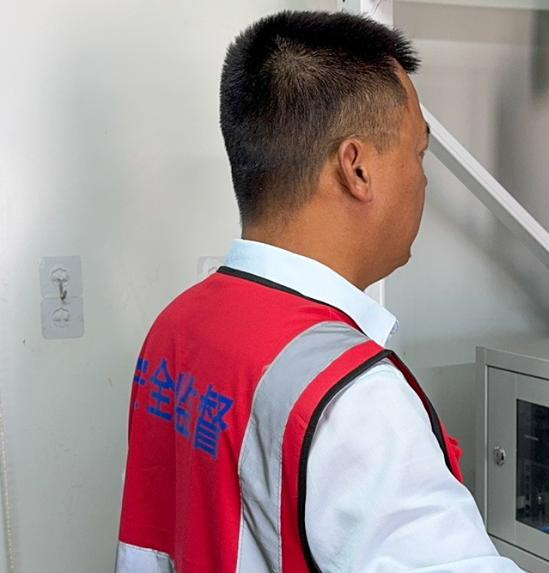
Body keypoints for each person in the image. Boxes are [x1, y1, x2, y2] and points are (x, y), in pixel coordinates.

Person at [116, 11, 521, 573]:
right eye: (418, 153)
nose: (423, 178)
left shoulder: (176, 326)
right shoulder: (357, 400)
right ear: (357, 169)